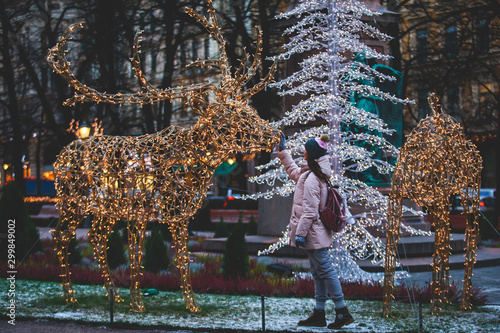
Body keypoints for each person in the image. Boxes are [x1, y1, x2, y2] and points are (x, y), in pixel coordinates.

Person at [277, 133, 354, 329]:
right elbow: (295, 173)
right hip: (316, 233)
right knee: (318, 272)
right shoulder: (311, 173)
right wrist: (282, 151)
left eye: (305, 148)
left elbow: (310, 212)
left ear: (310, 153)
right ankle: (319, 313)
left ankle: (342, 312)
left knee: (326, 271)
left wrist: (300, 234)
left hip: (313, 232)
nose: (303, 151)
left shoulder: (312, 178)